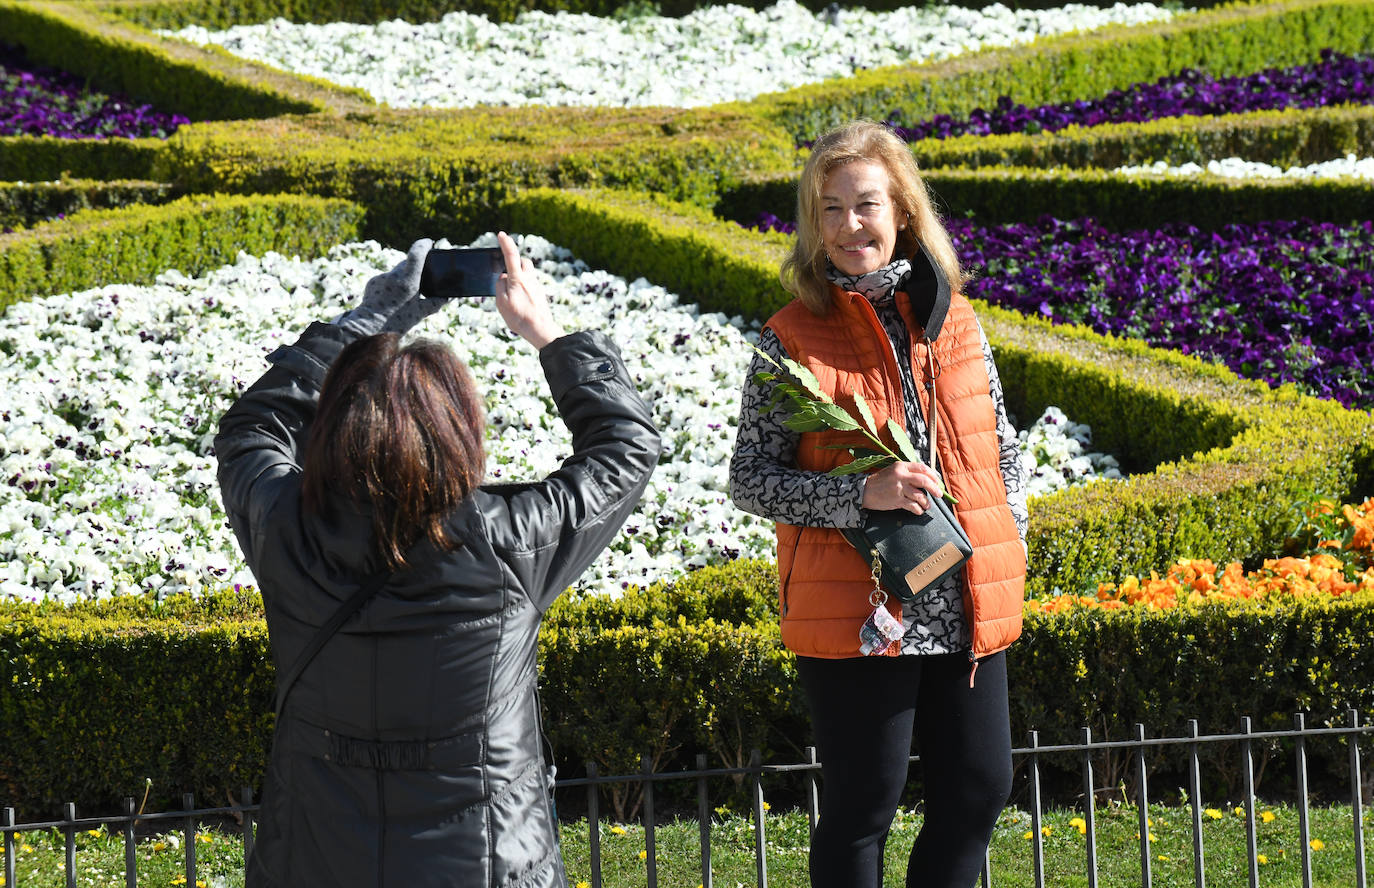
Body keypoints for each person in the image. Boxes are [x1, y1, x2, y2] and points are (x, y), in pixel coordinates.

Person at [215, 232, 661, 887]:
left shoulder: (287, 528)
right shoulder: (510, 541)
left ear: (332, 424)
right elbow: (626, 448)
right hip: (488, 862)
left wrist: (369, 321)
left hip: (316, 859)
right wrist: (549, 334)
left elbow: (251, 429)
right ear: (460, 432)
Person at [729, 120, 1029, 888]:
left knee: (977, 790)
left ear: (903, 212)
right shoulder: (789, 337)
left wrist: (1007, 549)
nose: (847, 225)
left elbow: (1003, 448)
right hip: (862, 611)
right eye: (828, 209)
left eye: (864, 205)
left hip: (964, 598)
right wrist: (860, 492)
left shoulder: (956, 321)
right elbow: (751, 479)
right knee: (866, 802)